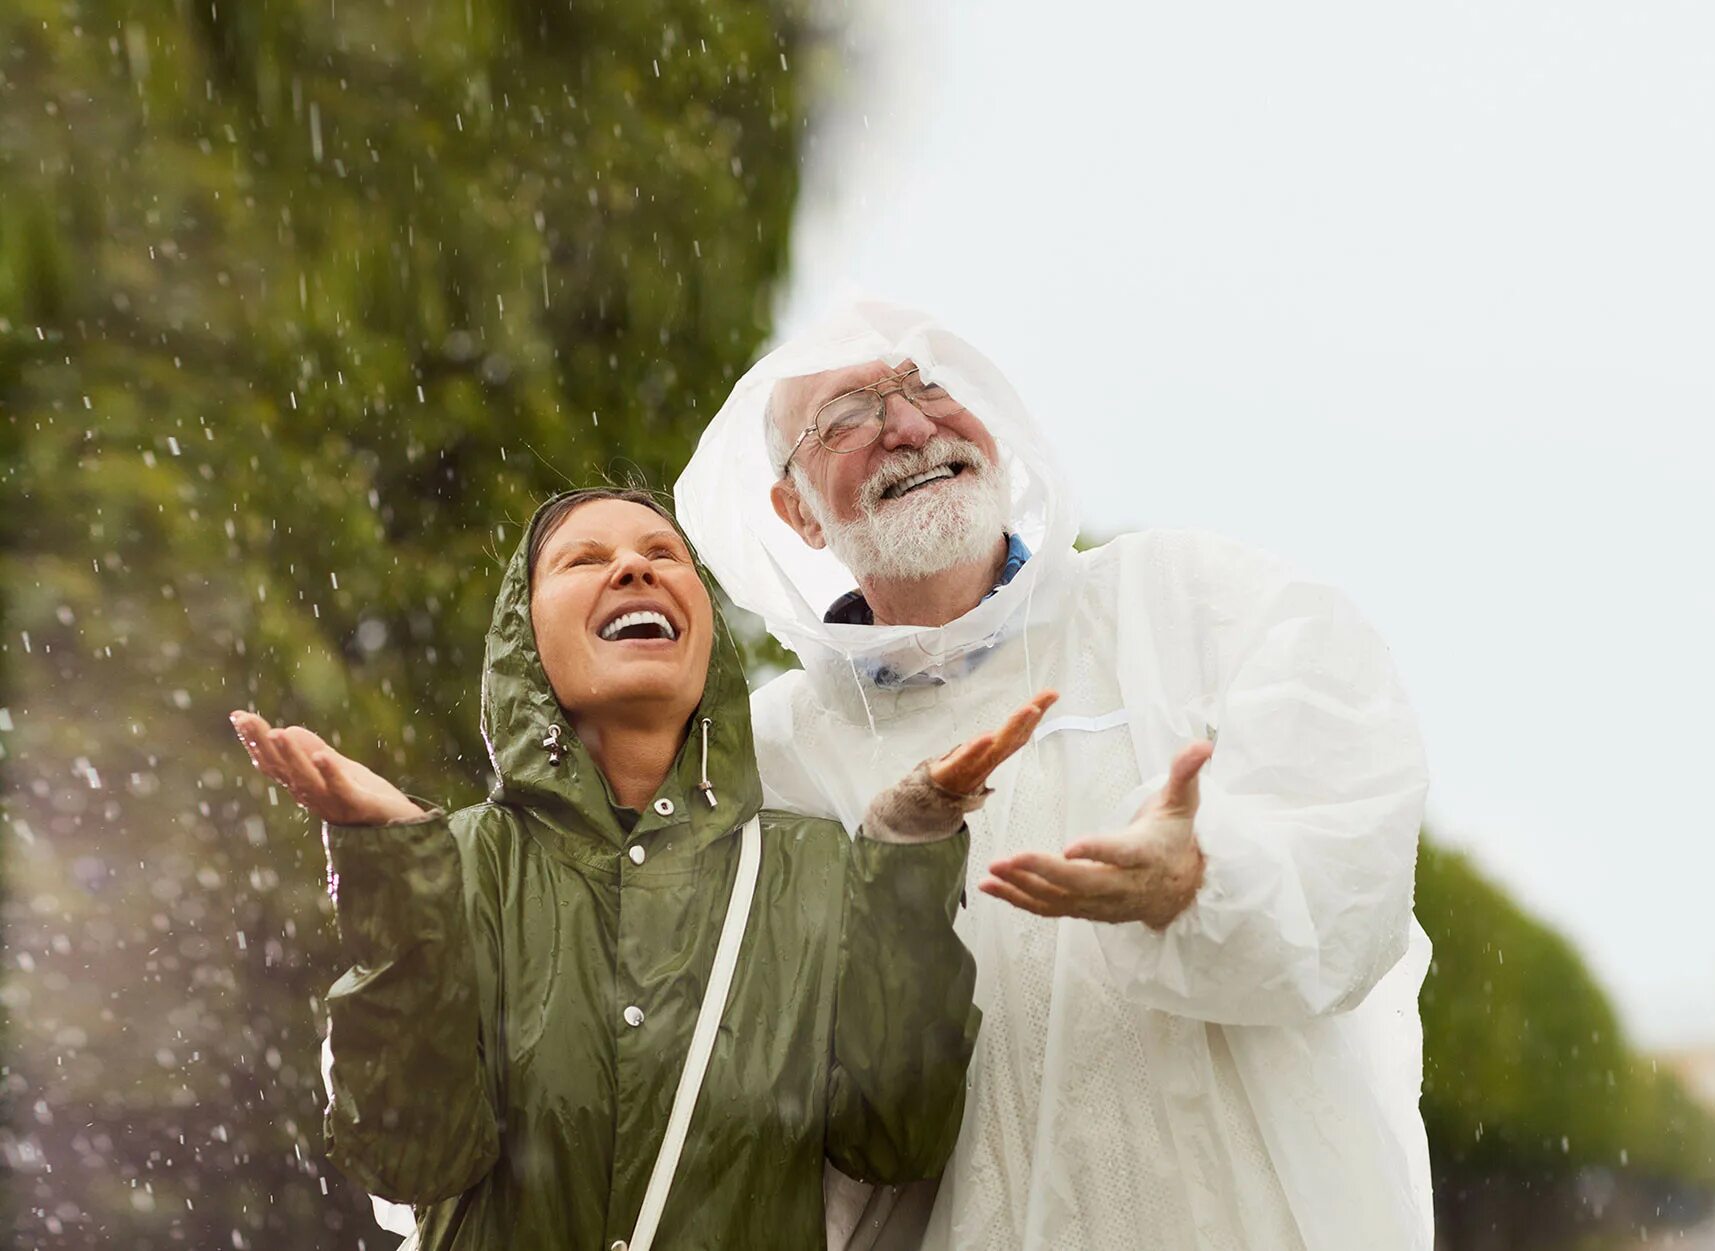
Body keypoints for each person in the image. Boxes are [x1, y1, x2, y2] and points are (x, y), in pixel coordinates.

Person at [675, 304, 1434, 1250]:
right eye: (848, 417)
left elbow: (1353, 851)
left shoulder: (1186, 603)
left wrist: (1205, 880)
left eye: (929, 385)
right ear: (797, 512)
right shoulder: (771, 753)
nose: (908, 427)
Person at [231, 487, 1054, 1250]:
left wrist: (908, 860)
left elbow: (898, 1138)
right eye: (584, 560)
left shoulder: (817, 871)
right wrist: (397, 863)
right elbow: (408, 1158)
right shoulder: (457, 864)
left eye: (666, 554)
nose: (635, 567)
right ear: (524, 643)